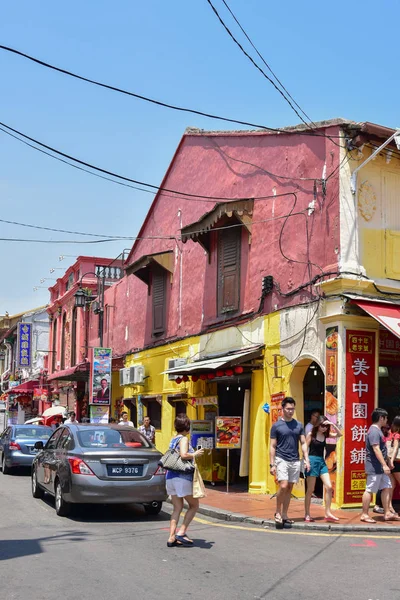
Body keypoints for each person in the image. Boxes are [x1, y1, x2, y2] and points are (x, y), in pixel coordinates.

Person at [269, 396, 310, 529]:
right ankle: (277, 511)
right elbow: (272, 446)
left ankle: (285, 514)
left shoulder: (298, 425)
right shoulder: (276, 426)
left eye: (292, 409)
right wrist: (272, 464)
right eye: (288, 409)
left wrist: (306, 460)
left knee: (290, 487)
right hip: (281, 459)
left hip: (295, 460)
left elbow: (303, 443)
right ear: (282, 409)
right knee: (283, 485)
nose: (291, 411)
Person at [166, 414, 204, 547]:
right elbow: (183, 455)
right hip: (182, 478)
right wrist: (195, 454)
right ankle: (181, 532)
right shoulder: (183, 440)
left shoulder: (173, 439)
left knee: (177, 508)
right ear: (187, 427)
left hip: (170, 477)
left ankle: (171, 537)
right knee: (194, 506)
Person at [360, 408, 400, 523]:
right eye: (386, 418)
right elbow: (376, 449)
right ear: (381, 418)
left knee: (387, 487)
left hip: (381, 468)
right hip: (375, 467)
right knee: (369, 489)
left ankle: (387, 512)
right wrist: (384, 465)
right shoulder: (373, 431)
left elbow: (382, 450)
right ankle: (364, 514)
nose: (387, 420)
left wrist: (388, 461)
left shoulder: (378, 431)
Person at [304, 416, 342, 522]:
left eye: (326, 426)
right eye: (322, 425)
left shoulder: (326, 435)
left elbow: (340, 434)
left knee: (329, 487)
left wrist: (332, 424)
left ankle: (328, 512)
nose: (324, 428)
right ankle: (307, 513)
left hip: (322, 462)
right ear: (317, 425)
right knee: (310, 490)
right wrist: (306, 461)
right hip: (312, 461)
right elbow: (305, 448)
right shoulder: (311, 435)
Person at [388, 416, 400, 513]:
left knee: (391, 484)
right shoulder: (397, 435)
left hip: (390, 462)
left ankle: (389, 507)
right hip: (396, 463)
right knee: (392, 484)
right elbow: (395, 449)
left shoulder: (390, 432)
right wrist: (392, 461)